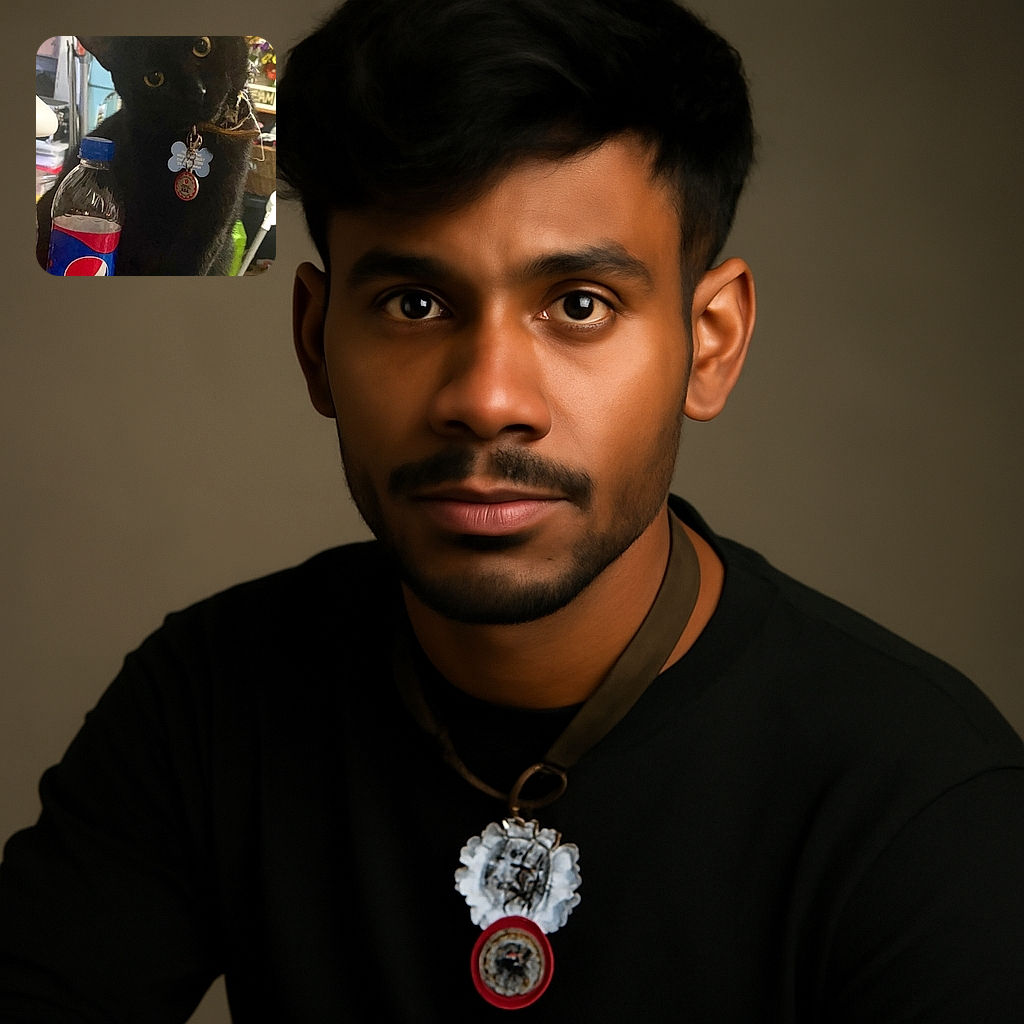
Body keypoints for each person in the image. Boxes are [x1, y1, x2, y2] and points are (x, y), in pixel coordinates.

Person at [2, 0, 1022, 1020]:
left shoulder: (924, 806)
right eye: (414, 303)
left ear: (709, 343)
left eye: (578, 304)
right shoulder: (210, 704)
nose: (487, 398)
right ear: (315, 341)